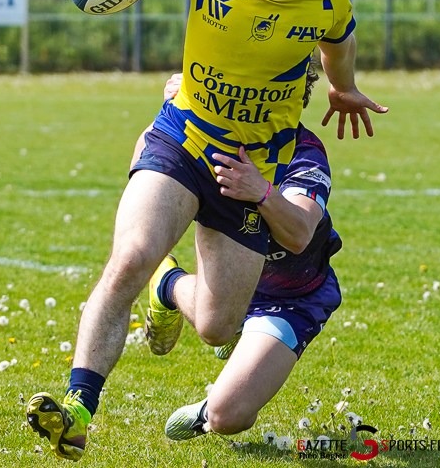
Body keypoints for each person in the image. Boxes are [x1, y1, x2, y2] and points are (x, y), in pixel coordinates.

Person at [26, 0, 385, 462]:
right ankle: (77, 407)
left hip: (251, 166)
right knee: (131, 255)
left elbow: (338, 45)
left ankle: (167, 288)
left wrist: (342, 89)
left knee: (219, 328)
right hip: (183, 138)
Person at [135, 69, 342, 440]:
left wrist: (261, 191)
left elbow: (298, 235)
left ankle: (208, 406)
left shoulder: (304, 152)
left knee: (227, 417)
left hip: (290, 298)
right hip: (232, 285)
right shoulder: (211, 136)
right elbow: (145, 162)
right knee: (216, 329)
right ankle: (167, 283)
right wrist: (179, 108)